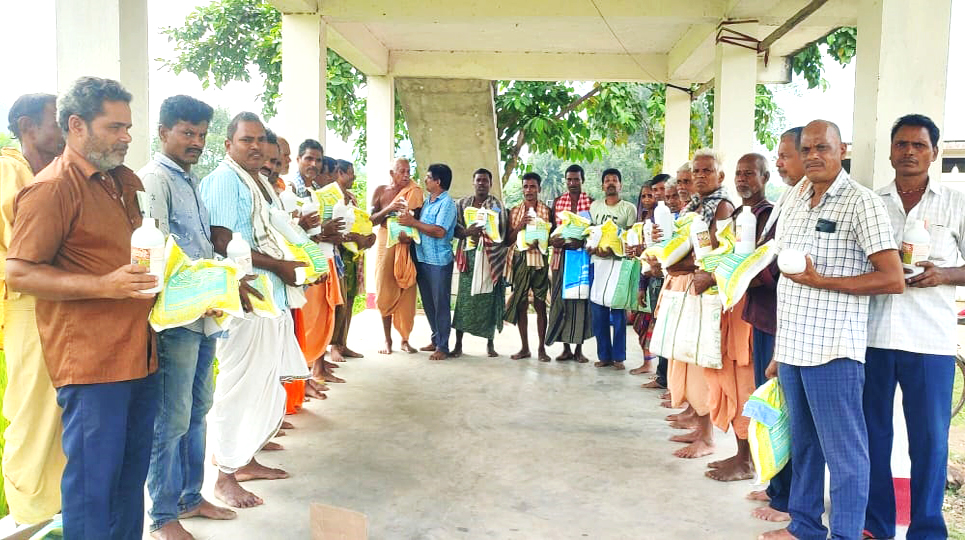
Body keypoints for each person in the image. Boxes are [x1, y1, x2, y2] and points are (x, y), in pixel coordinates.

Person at [6, 76, 158, 539]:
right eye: (114, 127)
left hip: (141, 353)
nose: (127, 137)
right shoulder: (53, 189)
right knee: (93, 488)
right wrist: (104, 286)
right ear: (76, 125)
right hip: (92, 365)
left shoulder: (121, 181)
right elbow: (18, 272)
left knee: (130, 483)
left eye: (128, 127)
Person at [760, 120, 904, 540]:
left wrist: (824, 282)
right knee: (803, 447)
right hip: (793, 348)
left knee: (845, 455)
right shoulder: (794, 197)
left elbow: (892, 278)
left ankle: (843, 534)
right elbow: (788, 280)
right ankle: (803, 526)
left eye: (822, 147)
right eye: (806, 149)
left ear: (842, 149)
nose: (813, 156)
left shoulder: (861, 203)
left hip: (833, 350)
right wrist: (779, 352)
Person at [199, 112, 312, 509]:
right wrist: (281, 266)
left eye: (260, 139)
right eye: (246, 139)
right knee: (238, 387)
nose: (256, 146)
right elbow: (222, 239)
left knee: (263, 384)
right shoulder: (224, 181)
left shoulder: (258, 182)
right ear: (228, 143)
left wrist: (296, 265)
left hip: (272, 298)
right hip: (247, 300)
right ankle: (223, 477)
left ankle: (245, 460)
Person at [139, 95, 240, 539]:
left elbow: (199, 248)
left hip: (204, 312)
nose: (196, 141)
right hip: (176, 318)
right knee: (173, 416)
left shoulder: (190, 179)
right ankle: (163, 516)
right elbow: (157, 251)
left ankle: (190, 496)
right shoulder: (154, 179)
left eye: (201, 134)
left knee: (199, 408)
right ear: (163, 133)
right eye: (187, 133)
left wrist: (217, 286)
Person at [863, 114, 965, 540]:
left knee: (930, 442)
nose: (909, 152)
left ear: (934, 154)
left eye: (919, 146)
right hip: (871, 337)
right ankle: (877, 525)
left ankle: (926, 529)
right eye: (902, 144)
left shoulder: (956, 203)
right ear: (890, 151)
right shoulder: (870, 202)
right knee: (872, 437)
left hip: (930, 341)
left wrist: (944, 275)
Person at [0, 93, 66, 528]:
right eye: (59, 122)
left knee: (60, 409)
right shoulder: (9, 169)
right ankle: (29, 515)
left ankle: (56, 510)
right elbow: (20, 251)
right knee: (32, 410)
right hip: (26, 303)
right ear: (27, 127)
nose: (67, 130)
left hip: (60, 302)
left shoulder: (52, 171)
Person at [652, 149, 734, 460]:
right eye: (695, 172)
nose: (699, 176)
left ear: (720, 176)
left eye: (706, 171)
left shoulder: (722, 207)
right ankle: (698, 425)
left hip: (707, 293)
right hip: (691, 289)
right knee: (689, 355)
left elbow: (717, 254)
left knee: (702, 362)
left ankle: (707, 437)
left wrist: (675, 263)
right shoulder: (698, 206)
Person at [746, 126, 805, 522]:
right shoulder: (791, 200)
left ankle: (787, 499)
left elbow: (783, 265)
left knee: (786, 409)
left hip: (785, 320)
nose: (780, 162)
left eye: (785, 155)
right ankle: (775, 485)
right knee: (771, 403)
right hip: (765, 316)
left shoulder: (805, 204)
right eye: (778, 154)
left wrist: (750, 274)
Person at [703, 153, 771, 483]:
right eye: (739, 174)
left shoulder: (767, 215)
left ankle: (750, 462)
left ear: (765, 177)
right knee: (730, 382)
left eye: (750, 174)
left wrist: (718, 276)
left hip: (750, 314)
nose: (742, 180)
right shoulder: (739, 216)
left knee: (748, 387)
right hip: (732, 309)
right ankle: (741, 454)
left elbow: (757, 269)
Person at [399, 163, 457, 360]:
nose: (425, 180)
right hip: (422, 258)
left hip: (439, 261)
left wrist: (413, 222)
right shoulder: (429, 202)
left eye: (429, 177)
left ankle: (443, 346)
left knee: (440, 304)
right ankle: (435, 338)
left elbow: (439, 231)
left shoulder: (447, 203)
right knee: (429, 303)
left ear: (438, 181)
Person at [451, 168, 509, 357]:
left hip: (489, 258)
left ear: (490, 184)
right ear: (473, 182)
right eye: (478, 180)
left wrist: (485, 238)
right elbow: (455, 228)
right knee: (464, 301)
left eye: (485, 181)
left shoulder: (496, 205)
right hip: (468, 257)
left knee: (488, 301)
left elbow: (502, 232)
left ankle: (490, 344)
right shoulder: (462, 204)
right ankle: (458, 344)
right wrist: (468, 233)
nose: (482, 184)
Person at [370, 158, 424, 354]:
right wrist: (389, 209)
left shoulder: (414, 191)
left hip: (406, 243)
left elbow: (418, 218)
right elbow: (371, 220)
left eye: (408, 171)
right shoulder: (381, 191)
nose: (406, 175)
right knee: (384, 289)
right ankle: (387, 340)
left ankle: (405, 339)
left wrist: (409, 238)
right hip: (386, 243)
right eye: (401, 171)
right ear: (392, 173)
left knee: (407, 290)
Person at [588, 168, 637, 370]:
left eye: (614, 180)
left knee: (617, 310)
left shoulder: (628, 209)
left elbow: (632, 236)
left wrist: (615, 251)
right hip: (597, 262)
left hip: (618, 263)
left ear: (620, 185)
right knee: (598, 310)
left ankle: (619, 357)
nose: (610, 183)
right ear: (602, 186)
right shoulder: (595, 206)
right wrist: (593, 248)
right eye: (607, 180)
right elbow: (590, 232)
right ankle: (604, 355)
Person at [546, 164, 593, 362]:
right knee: (561, 301)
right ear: (565, 181)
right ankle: (565, 348)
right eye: (569, 179)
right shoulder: (558, 202)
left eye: (576, 179)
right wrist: (552, 241)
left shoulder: (591, 203)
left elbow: (595, 232)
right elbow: (550, 231)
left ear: (582, 180)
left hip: (582, 258)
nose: (572, 183)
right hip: (561, 258)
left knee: (581, 301)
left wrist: (582, 242)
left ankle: (579, 349)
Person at [329, 159, 375, 363]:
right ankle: (332, 347)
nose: (354, 176)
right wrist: (354, 238)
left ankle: (342, 343)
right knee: (338, 303)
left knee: (349, 301)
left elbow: (361, 224)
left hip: (354, 258)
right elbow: (335, 229)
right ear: (339, 173)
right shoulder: (330, 197)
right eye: (350, 173)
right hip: (337, 256)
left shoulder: (352, 198)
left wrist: (367, 238)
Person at [504, 172, 552, 362]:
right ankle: (525, 347)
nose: (529, 190)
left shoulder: (547, 211)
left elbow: (552, 237)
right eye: (525, 186)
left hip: (539, 261)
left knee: (540, 305)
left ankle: (541, 349)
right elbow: (508, 240)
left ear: (539, 188)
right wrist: (520, 227)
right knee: (522, 304)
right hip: (520, 260)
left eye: (532, 186)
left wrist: (540, 243)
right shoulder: (515, 211)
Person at [629, 175, 667, 377]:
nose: (648, 198)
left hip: (661, 278)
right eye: (644, 195)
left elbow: (656, 250)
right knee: (644, 321)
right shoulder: (644, 220)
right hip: (646, 275)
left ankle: (660, 372)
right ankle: (655, 369)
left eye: (651, 194)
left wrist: (641, 249)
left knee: (657, 325)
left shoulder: (667, 219)